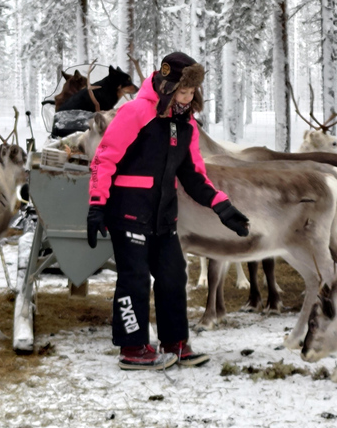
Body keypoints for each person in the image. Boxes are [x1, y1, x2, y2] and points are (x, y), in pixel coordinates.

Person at [86, 51, 249, 370]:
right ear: (165, 86)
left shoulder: (185, 125)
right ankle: (132, 349)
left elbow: (193, 174)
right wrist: (97, 205)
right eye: (182, 92)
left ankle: (174, 342)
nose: (187, 99)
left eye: (191, 93)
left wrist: (222, 206)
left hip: (163, 216)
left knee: (174, 274)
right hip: (129, 211)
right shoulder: (135, 113)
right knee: (134, 280)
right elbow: (103, 159)